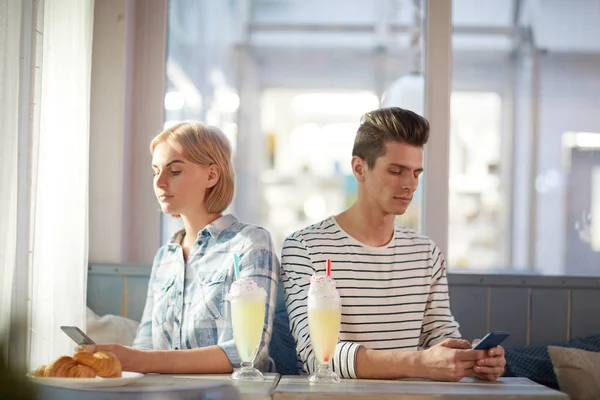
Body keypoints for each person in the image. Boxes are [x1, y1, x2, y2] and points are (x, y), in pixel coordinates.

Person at [281, 107, 506, 381]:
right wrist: (418, 363)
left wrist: (472, 358)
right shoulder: (304, 247)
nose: (410, 185)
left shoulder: (426, 253)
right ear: (359, 168)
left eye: (416, 173)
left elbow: (440, 335)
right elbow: (316, 355)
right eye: (396, 171)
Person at [84, 121, 279, 374]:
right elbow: (145, 343)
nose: (160, 182)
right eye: (156, 171)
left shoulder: (250, 243)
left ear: (211, 175)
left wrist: (139, 360)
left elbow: (248, 354)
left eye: (174, 171)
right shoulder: (165, 256)